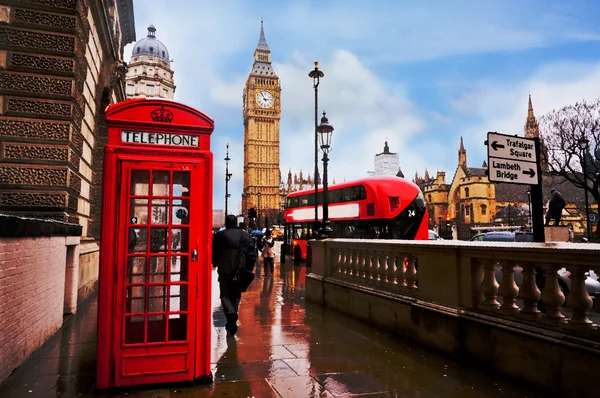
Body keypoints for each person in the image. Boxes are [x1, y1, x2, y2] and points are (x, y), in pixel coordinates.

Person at [212, 214, 256, 335]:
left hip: (224, 270)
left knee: (225, 295)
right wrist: (248, 269)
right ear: (236, 222)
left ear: (226, 223)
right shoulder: (245, 235)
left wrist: (215, 263)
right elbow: (252, 255)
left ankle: (231, 317)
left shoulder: (220, 235)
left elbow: (213, 251)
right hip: (239, 270)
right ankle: (232, 320)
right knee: (236, 296)